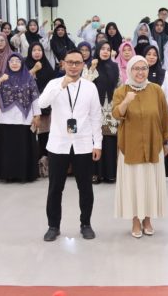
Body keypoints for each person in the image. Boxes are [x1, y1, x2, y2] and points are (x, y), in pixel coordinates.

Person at [38, 49, 102, 242]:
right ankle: (53, 226)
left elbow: (95, 117)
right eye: (70, 62)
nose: (73, 66)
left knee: (85, 187)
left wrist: (97, 144)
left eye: (77, 63)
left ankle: (86, 224)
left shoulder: (90, 87)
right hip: (59, 144)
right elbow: (42, 103)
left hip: (83, 144)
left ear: (83, 65)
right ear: (63, 64)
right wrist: (61, 86)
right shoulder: (53, 84)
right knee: (55, 187)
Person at [112, 55, 168, 237]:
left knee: (150, 183)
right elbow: (115, 114)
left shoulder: (156, 90)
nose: (140, 72)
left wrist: (166, 141)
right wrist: (126, 101)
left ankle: (148, 220)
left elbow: (164, 118)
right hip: (130, 147)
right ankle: (135, 221)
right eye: (136, 68)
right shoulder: (121, 91)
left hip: (154, 145)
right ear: (129, 70)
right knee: (133, 184)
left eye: (143, 68)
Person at [0, 53, 41, 182]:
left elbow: (34, 97)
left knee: (23, 148)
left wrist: (37, 115)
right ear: (8, 63)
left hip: (24, 119)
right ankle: (8, 175)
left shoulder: (28, 77)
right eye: (11, 61)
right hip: (6, 119)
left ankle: (23, 175)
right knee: (8, 149)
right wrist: (0, 80)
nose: (14, 63)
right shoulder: (3, 77)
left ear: (22, 63)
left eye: (17, 61)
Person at [144, 45, 168, 177]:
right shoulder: (138, 72)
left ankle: (159, 172)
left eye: (154, 54)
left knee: (161, 142)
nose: (151, 57)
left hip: (159, 115)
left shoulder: (163, 73)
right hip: (142, 116)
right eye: (148, 54)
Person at [90, 41, 120, 184]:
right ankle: (96, 173)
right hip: (95, 109)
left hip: (111, 109)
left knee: (110, 142)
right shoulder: (92, 66)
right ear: (97, 50)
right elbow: (85, 84)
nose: (105, 51)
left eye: (108, 49)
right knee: (96, 141)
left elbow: (119, 86)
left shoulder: (115, 67)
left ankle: (110, 173)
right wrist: (92, 68)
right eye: (102, 49)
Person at [25, 42, 58, 159]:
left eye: (39, 50)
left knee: (44, 134)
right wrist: (34, 69)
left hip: (45, 106)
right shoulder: (25, 64)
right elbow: (21, 82)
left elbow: (53, 85)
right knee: (30, 134)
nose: (37, 52)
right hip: (28, 106)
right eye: (34, 50)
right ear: (30, 52)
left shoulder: (47, 66)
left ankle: (43, 161)